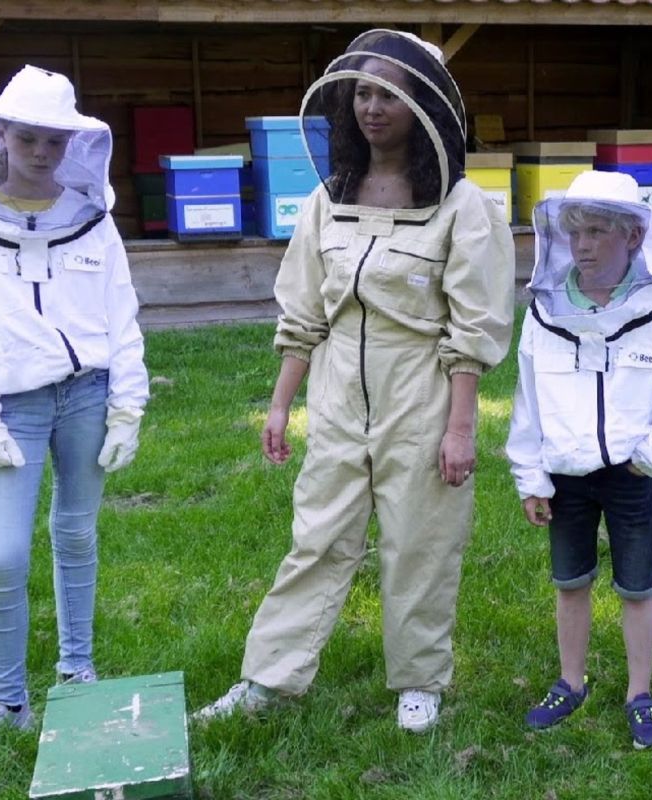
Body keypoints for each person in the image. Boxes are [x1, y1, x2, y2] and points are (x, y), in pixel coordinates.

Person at [195, 30, 515, 733]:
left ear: (422, 105)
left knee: (420, 540)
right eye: (363, 93)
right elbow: (303, 311)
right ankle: (268, 680)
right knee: (317, 535)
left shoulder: (465, 208)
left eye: (389, 95)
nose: (373, 107)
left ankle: (419, 680)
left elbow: (474, 325)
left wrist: (461, 427)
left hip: (421, 388)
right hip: (337, 388)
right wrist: (279, 406)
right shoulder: (325, 199)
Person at [0, 65, 149, 740]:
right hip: (11, 408)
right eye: (29, 139)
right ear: (0, 132)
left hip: (88, 395)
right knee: (1, 556)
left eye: (55, 142)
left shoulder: (92, 222)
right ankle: (6, 703)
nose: (42, 154)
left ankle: (76, 674)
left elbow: (121, 312)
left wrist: (127, 404)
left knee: (76, 534)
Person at [506, 171, 652, 749]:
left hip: (631, 473)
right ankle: (570, 682)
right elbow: (527, 399)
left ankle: (640, 692)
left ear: (633, 238)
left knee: (637, 587)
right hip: (564, 473)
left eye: (596, 232)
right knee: (570, 581)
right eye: (575, 233)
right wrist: (531, 474)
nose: (583, 245)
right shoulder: (546, 312)